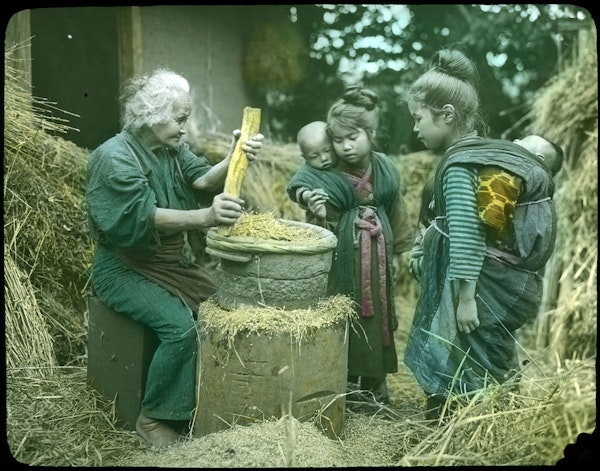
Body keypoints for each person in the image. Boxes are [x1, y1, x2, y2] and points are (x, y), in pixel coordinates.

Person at [85, 68, 264, 448]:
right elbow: (141, 217)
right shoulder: (114, 158)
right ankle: (153, 418)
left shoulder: (170, 148)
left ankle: (207, 400)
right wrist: (206, 218)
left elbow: (201, 180)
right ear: (152, 116)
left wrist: (235, 155)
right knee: (179, 328)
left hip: (168, 264)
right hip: (125, 267)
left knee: (222, 310)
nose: (185, 128)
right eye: (180, 119)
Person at [401, 48, 562, 420]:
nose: (415, 128)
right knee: (478, 353)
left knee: (463, 354)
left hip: (476, 285)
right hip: (485, 281)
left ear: (447, 115)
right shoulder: (477, 156)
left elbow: (468, 233)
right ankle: (476, 419)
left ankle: (461, 426)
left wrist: (466, 299)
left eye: (418, 118)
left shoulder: (460, 165)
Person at [287, 86, 413, 406]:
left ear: (370, 133)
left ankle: (377, 384)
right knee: (348, 314)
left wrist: (403, 251)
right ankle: (348, 386)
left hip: (379, 256)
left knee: (379, 317)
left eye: (353, 137)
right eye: (338, 140)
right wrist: (314, 208)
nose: (345, 147)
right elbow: (312, 202)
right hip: (346, 258)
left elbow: (396, 209)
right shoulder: (326, 172)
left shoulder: (383, 167)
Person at [293, 120, 337, 224]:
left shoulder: (344, 163)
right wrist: (308, 196)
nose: (323, 158)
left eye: (327, 150)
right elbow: (299, 188)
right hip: (320, 220)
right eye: (314, 156)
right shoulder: (307, 173)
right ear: (305, 158)